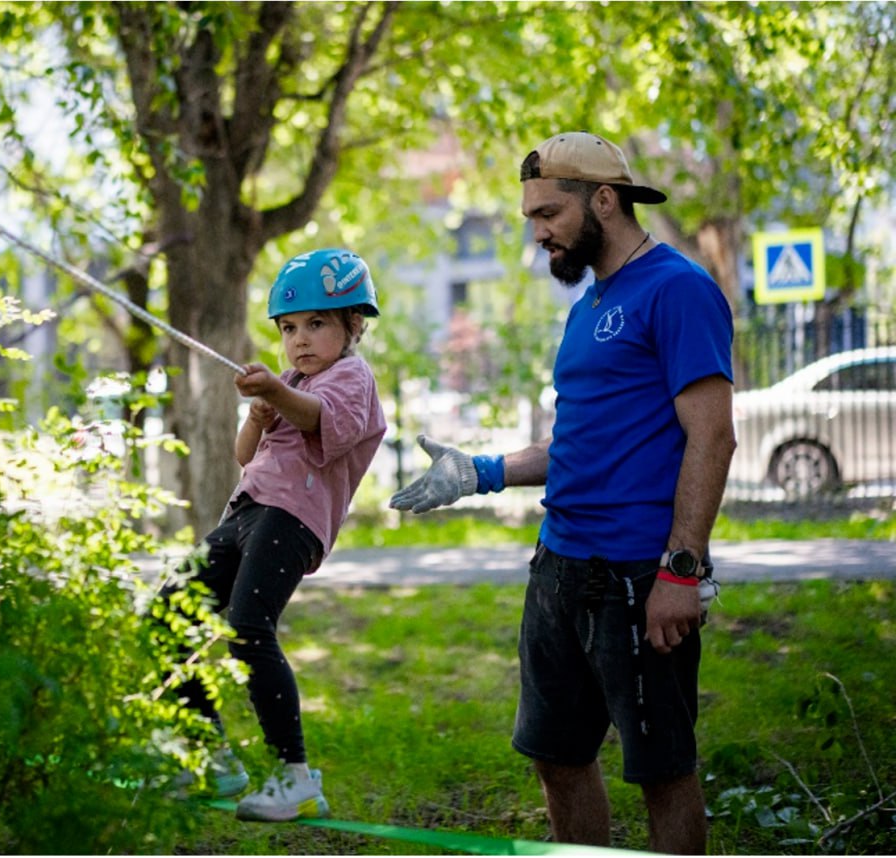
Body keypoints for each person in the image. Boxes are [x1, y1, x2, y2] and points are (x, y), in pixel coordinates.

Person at [389, 131, 736, 854]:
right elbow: (577, 449)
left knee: (663, 773)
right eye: (531, 217)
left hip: (638, 576)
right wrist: (478, 472)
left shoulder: (679, 290)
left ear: (603, 200)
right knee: (556, 757)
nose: (538, 231)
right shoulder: (586, 309)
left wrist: (682, 569)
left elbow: (712, 437)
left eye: (548, 213)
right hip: (557, 569)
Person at [160, 248, 387, 822]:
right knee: (168, 616)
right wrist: (259, 413)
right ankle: (213, 759)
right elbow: (245, 456)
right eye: (289, 328)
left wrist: (276, 395)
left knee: (247, 627)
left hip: (294, 517)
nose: (300, 340)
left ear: (352, 325)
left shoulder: (351, 378)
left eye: (316, 324)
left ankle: (295, 776)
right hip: (246, 511)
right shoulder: (289, 382)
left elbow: (317, 418)